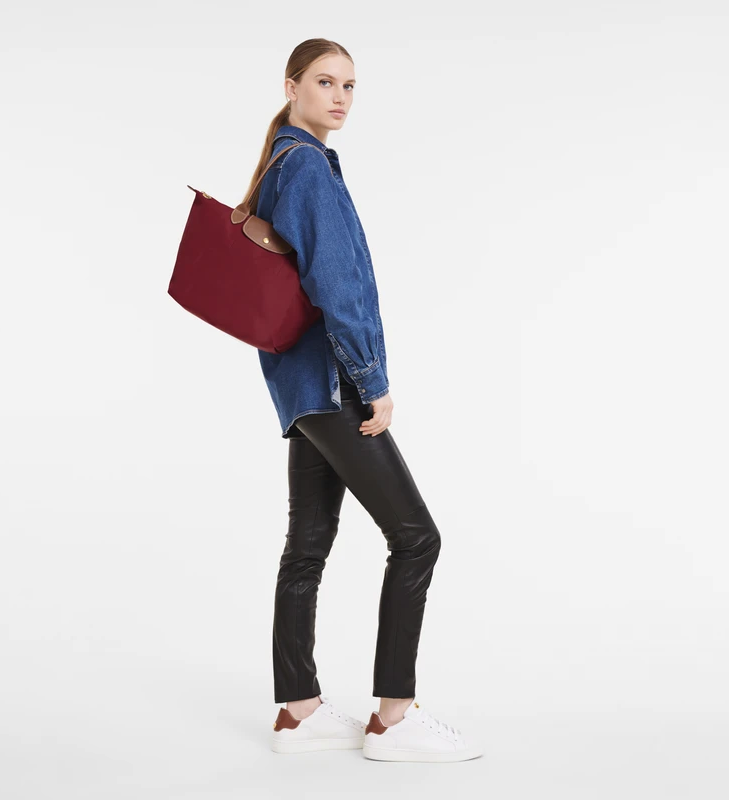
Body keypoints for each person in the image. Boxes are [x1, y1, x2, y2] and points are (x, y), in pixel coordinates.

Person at [246, 38, 483, 763]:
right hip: (332, 383)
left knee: (307, 547)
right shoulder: (307, 168)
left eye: (350, 85)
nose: (341, 97)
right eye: (325, 82)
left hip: (300, 388)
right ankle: (394, 719)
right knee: (417, 538)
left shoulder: (282, 164)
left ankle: (298, 713)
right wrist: (372, 381)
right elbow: (337, 287)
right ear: (291, 86)